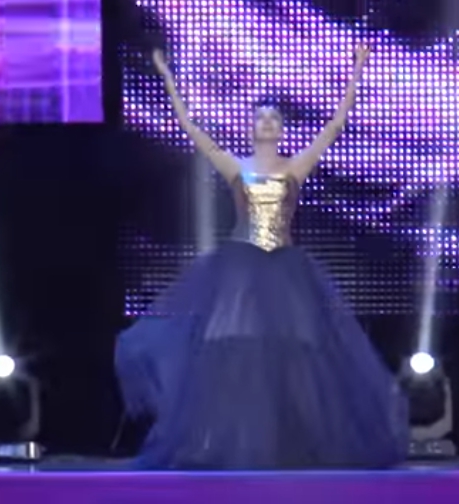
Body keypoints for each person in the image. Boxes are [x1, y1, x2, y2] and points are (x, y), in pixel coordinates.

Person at [115, 45, 410, 470]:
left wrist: (358, 69)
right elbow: (190, 127)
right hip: (239, 268)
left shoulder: (295, 168)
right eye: (261, 117)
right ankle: (218, 441)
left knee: (298, 351)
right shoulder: (236, 167)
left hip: (287, 269)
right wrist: (166, 76)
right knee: (227, 349)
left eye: (274, 118)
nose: (268, 122)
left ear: (282, 129)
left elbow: (335, 125)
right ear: (251, 127)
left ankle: (294, 441)